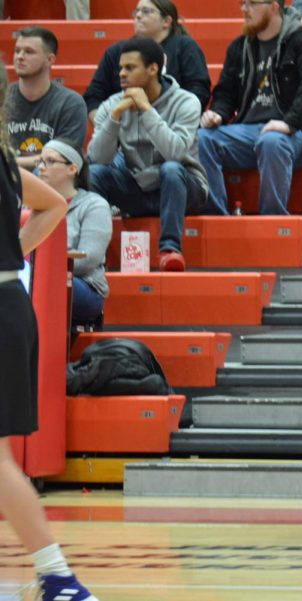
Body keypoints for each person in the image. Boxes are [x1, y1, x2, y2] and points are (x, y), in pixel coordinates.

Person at [0, 64, 99, 601]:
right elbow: (55, 203)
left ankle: (59, 576)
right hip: (10, 302)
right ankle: (57, 576)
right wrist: (13, 256)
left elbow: (57, 205)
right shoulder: (5, 161)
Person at [198, 0, 302, 216]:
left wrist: (289, 122)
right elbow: (226, 91)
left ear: (274, 6)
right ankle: (217, 217)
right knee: (202, 138)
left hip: (299, 132)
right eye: (243, 3)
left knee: (272, 141)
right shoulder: (239, 47)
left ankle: (272, 219)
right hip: (249, 131)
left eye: (251, 3)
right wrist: (218, 112)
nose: (244, 9)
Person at [88, 37, 207, 272]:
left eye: (130, 68)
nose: (121, 74)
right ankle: (96, 254)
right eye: (121, 68)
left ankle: (170, 250)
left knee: (171, 169)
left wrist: (147, 110)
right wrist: (114, 119)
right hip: (139, 186)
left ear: (153, 69)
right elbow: (96, 158)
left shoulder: (186, 102)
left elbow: (176, 152)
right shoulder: (112, 104)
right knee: (93, 175)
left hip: (183, 188)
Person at [83, 0, 211, 123]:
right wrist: (107, 127)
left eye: (146, 11)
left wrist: (172, 123)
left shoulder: (184, 46)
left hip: (172, 126)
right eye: (137, 11)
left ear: (166, 21)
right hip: (124, 129)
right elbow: (94, 96)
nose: (138, 15)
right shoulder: (117, 51)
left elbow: (198, 91)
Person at [37, 139, 111, 327]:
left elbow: (88, 259)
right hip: (40, 278)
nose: (41, 168)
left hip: (84, 286)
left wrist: (45, 269)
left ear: (72, 169)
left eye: (50, 161)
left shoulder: (94, 205)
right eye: (40, 161)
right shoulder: (32, 204)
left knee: (47, 286)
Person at [5, 26, 88, 171]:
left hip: (49, 179)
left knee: (45, 170)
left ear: (49, 60)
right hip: (6, 177)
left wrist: (11, 163)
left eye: (29, 52)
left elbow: (61, 158)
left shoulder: (70, 103)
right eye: (17, 51)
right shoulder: (2, 96)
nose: (19, 57)